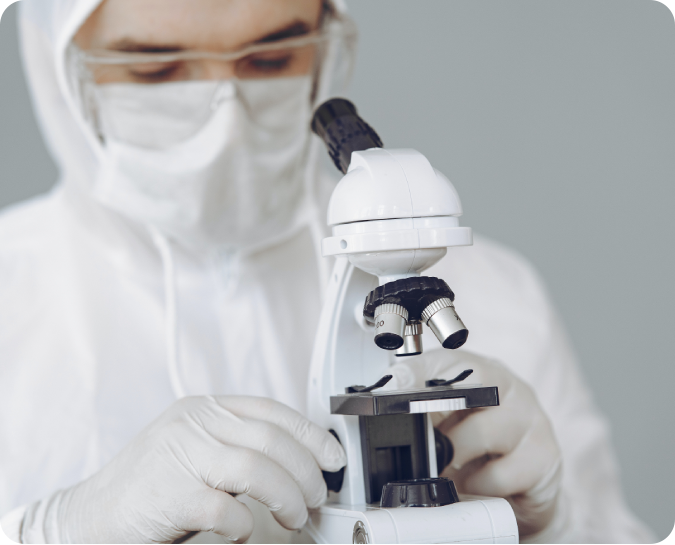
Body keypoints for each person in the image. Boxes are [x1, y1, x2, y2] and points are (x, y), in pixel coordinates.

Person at [0, 0, 655, 543]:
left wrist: (560, 527)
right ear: (58, 66)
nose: (226, 118)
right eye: (154, 68)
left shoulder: (501, 295)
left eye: (272, 57)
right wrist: (53, 530)